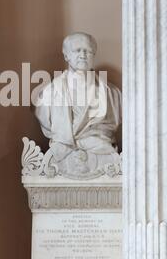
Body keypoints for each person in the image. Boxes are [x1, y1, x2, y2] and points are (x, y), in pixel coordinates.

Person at [35, 32, 122, 176]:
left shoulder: (112, 94)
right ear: (66, 56)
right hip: (61, 156)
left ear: (93, 55)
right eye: (77, 50)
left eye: (87, 51)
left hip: (102, 154)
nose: (83, 55)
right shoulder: (48, 94)